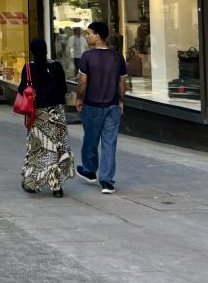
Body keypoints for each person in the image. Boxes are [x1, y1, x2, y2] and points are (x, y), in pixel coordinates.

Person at [75, 21, 127, 195]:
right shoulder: (117, 57)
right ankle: (107, 182)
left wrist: (79, 98)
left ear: (97, 36)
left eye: (89, 33)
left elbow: (83, 82)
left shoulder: (87, 57)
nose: (87, 36)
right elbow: (122, 82)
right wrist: (121, 100)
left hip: (92, 105)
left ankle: (89, 170)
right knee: (109, 143)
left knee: (90, 139)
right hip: (112, 106)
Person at [19, 38, 73, 197]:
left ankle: (32, 182)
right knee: (56, 148)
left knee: (37, 149)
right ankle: (56, 187)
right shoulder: (56, 67)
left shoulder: (28, 68)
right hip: (56, 114)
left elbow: (22, 89)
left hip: (38, 114)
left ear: (31, 52)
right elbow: (63, 89)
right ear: (46, 50)